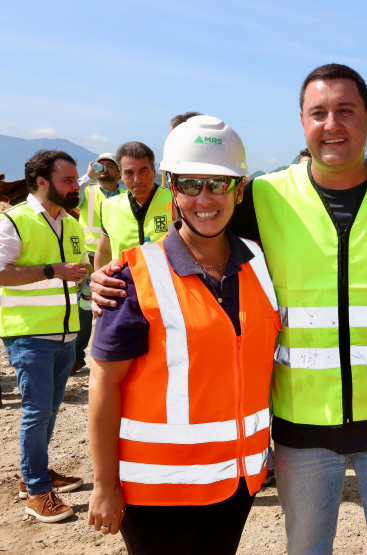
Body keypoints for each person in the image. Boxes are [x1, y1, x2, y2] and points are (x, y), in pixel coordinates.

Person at [91, 63, 367, 555]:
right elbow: (198, 224)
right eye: (318, 113)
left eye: (346, 111)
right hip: (300, 426)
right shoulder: (266, 195)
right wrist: (115, 275)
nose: (332, 124)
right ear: (302, 122)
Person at [86, 116, 278, 554]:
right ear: (172, 188)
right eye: (191, 184)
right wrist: (104, 484)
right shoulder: (135, 276)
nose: (204, 199)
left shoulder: (262, 266)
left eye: (219, 184)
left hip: (236, 483)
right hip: (157, 491)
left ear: (240, 190)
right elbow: (104, 382)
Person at [0, 150, 89, 522]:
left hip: (66, 333)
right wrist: (53, 270)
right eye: (67, 180)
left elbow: (79, 269)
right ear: (41, 182)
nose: (75, 187)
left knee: (50, 410)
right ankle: (37, 490)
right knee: (37, 411)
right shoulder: (14, 221)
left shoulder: (72, 223)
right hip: (29, 335)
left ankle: (31, 474)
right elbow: (1, 272)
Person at [73, 153, 123, 372]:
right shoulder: (87, 191)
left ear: (120, 173)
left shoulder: (127, 195)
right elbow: (68, 194)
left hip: (116, 259)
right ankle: (76, 355)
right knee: (84, 307)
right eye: (101, 164)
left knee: (114, 305)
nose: (104, 169)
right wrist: (87, 175)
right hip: (87, 258)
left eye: (110, 165)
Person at [94, 142, 174, 270]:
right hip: (123, 286)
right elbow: (104, 251)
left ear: (154, 172)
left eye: (143, 171)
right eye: (129, 173)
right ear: (121, 176)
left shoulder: (176, 201)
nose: (137, 179)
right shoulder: (109, 206)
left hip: (169, 285)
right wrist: (98, 284)